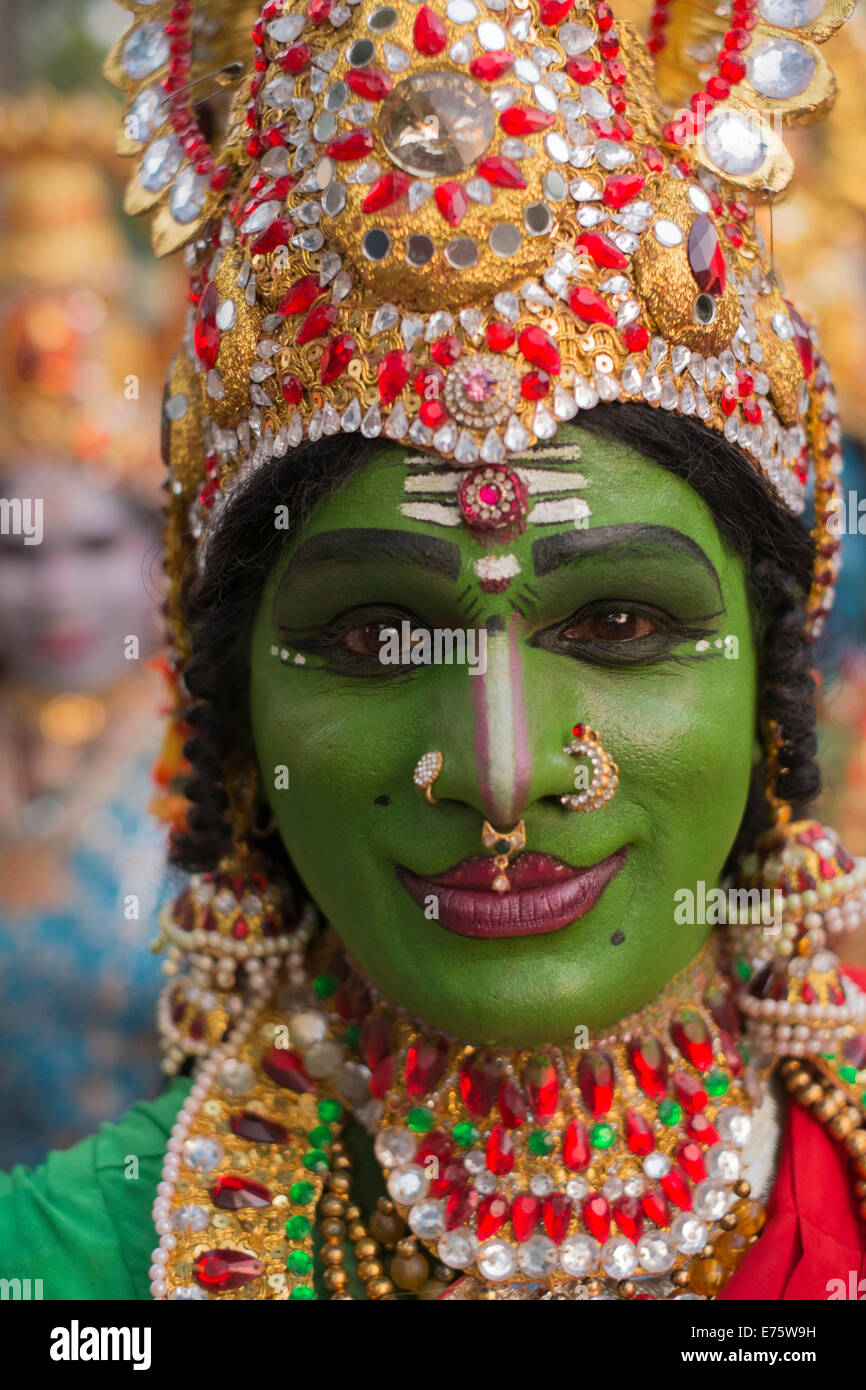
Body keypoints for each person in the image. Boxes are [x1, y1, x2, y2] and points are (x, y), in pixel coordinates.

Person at [1, 0, 865, 1301]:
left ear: (771, 685)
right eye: (369, 634)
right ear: (235, 717)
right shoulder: (72, 1271)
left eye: (618, 625)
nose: (501, 771)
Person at [0, 93, 173, 1165]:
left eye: (97, 548)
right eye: (17, 551)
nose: (57, 592)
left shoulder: (228, 763)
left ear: (167, 552)